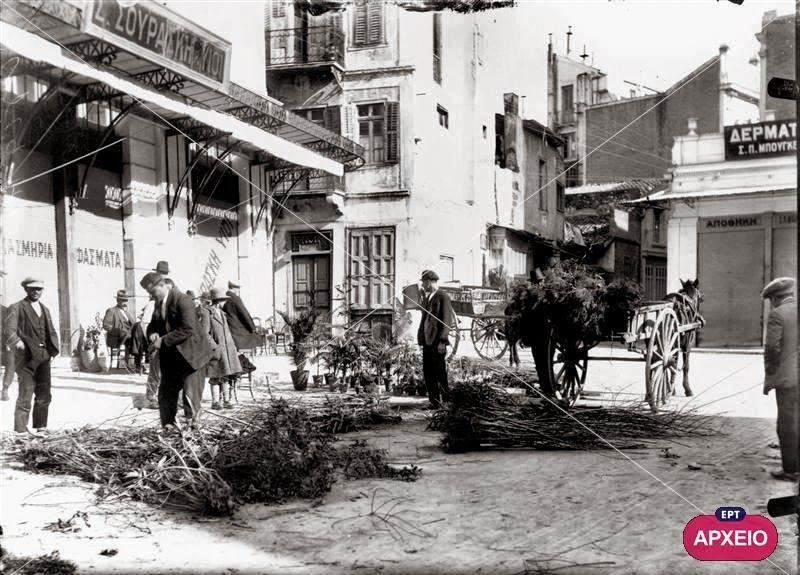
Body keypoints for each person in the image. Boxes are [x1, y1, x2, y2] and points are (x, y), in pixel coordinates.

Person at [140, 272, 213, 431]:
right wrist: (152, 332)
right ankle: (168, 426)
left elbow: (188, 329)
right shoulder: (159, 303)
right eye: (149, 293)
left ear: (163, 285)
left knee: (190, 396)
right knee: (165, 393)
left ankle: (192, 429)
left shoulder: (183, 300)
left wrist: (163, 340)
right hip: (172, 357)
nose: (151, 296)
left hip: (192, 356)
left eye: (152, 292)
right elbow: (153, 324)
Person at [3, 278, 60, 434]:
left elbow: (51, 331)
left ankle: (41, 427)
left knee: (44, 393)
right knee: (26, 392)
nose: (36, 292)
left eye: (39, 289)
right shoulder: (17, 307)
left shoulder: (45, 309)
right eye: (32, 289)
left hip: (44, 357)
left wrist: (53, 350)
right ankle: (20, 430)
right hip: (26, 359)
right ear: (26, 290)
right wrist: (17, 342)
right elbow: (8, 330)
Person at [761, 277, 798, 482]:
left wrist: (771, 374)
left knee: (787, 423)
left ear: (775, 298)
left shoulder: (778, 314)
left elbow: (772, 348)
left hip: (789, 379)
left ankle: (791, 470)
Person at [416, 270, 455, 408]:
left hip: (437, 342)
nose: (423, 285)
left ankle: (446, 401)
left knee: (439, 372)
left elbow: (446, 321)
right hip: (428, 341)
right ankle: (434, 402)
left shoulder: (443, 297)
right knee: (428, 372)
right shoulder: (429, 297)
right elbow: (425, 319)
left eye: (424, 282)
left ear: (431, 281)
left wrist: (442, 341)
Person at [206, 287, 242, 410]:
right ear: (218, 301)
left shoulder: (222, 313)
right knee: (215, 376)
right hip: (216, 351)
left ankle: (226, 400)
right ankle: (215, 402)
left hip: (227, 350)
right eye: (223, 300)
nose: (225, 303)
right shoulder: (208, 314)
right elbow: (204, 334)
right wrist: (214, 347)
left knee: (226, 375)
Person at [102, 290, 135, 367]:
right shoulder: (111, 311)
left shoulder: (127, 312)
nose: (125, 302)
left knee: (139, 337)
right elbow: (106, 325)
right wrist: (118, 331)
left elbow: (133, 324)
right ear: (118, 300)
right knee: (133, 339)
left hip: (128, 335)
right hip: (116, 337)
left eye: (126, 300)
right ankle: (132, 363)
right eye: (123, 300)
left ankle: (137, 362)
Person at [1, 303, 16, 401]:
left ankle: (5, 388)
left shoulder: (5, 311)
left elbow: (11, 329)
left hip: (3, 346)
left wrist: (9, 344)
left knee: (11, 361)